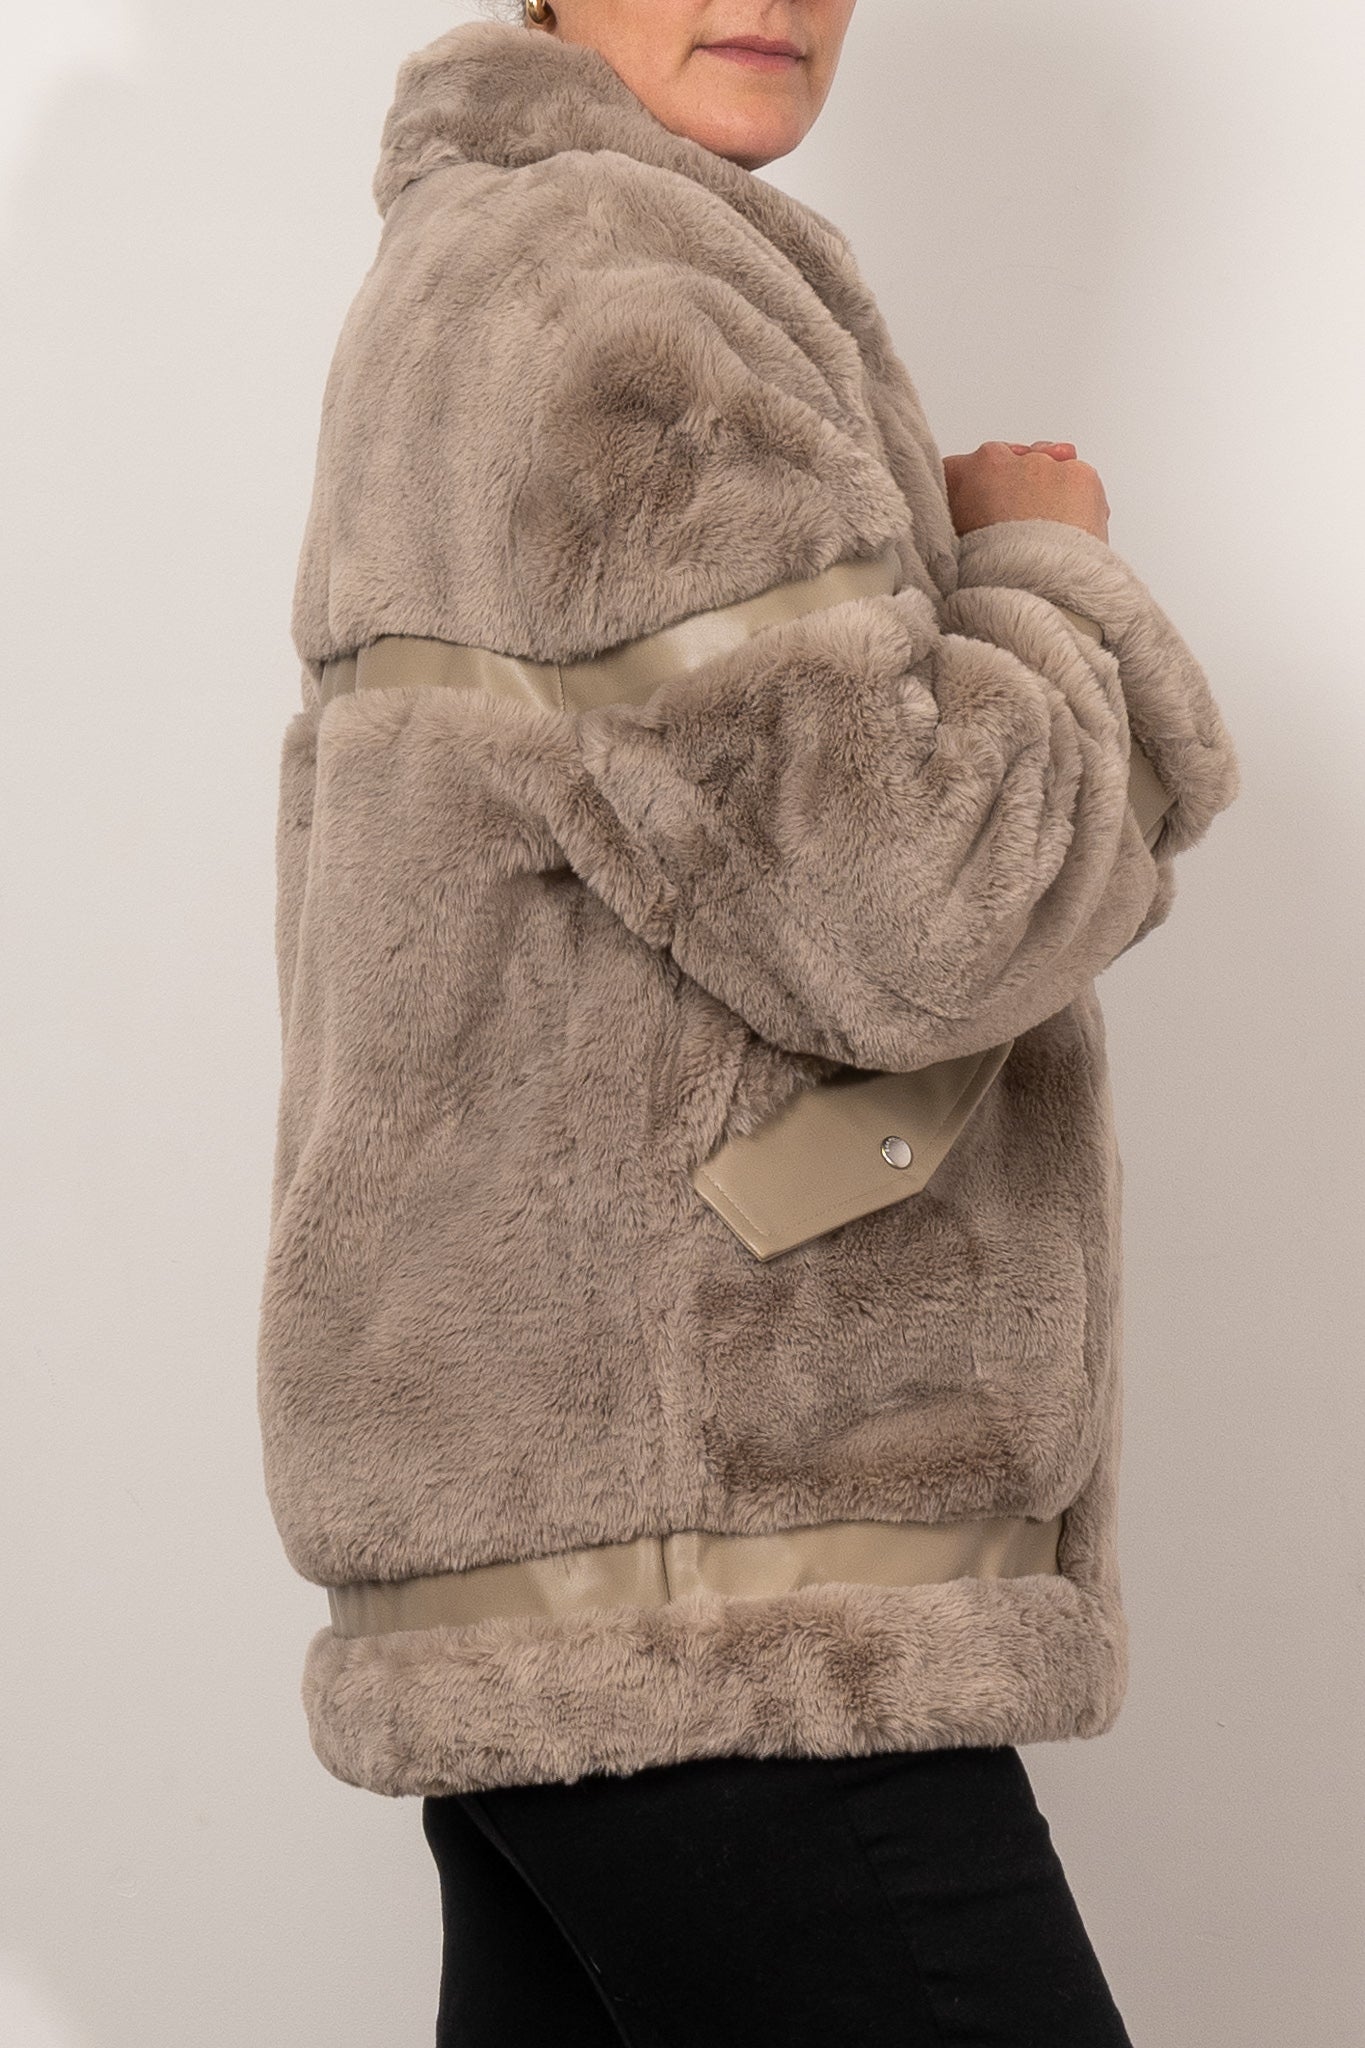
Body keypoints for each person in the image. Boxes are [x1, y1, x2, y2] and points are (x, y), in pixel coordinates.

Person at [255, 3, 1242, 2041]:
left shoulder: (484, 271)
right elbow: (936, 913)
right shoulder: (608, 297)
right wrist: (1046, 577)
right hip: (716, 1593)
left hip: (589, 1557)